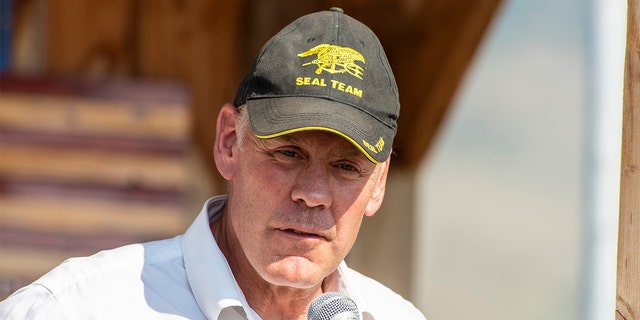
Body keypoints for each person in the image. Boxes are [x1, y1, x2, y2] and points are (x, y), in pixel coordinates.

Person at [0, 7, 426, 319]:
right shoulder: (75, 309)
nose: (312, 194)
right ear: (228, 143)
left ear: (379, 183)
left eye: (346, 167)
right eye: (288, 153)